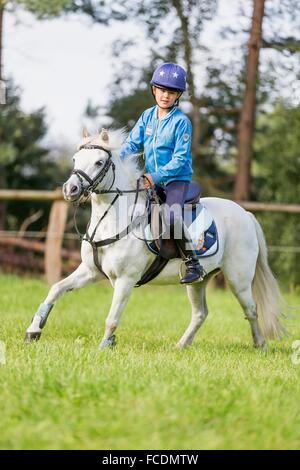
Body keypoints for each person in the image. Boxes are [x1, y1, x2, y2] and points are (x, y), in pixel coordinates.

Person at [120, 62, 205, 284]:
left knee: (170, 216)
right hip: (150, 179)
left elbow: (180, 160)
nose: (165, 96)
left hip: (176, 180)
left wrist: (154, 176)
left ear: (178, 96)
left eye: (172, 92)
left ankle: (193, 262)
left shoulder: (181, 122)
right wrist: (115, 161)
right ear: (154, 90)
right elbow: (131, 144)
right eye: (162, 90)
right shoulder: (147, 116)